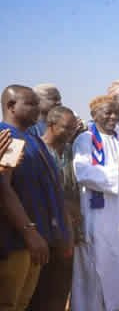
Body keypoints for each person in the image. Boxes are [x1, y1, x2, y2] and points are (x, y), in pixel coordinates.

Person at [0, 85, 69, 311]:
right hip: (17, 242)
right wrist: (29, 232)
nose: (38, 109)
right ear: (11, 106)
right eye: (31, 104)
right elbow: (4, 189)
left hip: (38, 240)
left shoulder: (33, 139)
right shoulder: (7, 138)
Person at [71, 95, 119, 311]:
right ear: (94, 115)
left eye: (115, 112)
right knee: (99, 264)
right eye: (107, 112)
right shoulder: (85, 139)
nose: (113, 116)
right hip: (98, 214)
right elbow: (82, 173)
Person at [28, 107, 81, 311]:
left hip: (69, 232)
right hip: (47, 233)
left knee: (61, 287)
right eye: (66, 129)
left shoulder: (69, 150)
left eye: (73, 129)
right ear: (51, 125)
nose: (71, 133)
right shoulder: (37, 151)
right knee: (42, 290)